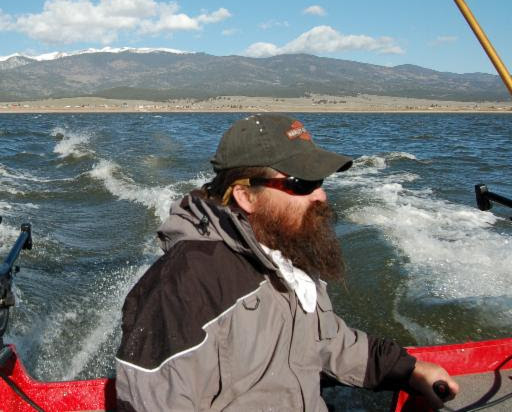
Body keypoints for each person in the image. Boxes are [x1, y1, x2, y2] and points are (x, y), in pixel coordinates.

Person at [115, 113, 458, 411]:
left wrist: (408, 370)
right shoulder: (186, 282)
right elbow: (156, 400)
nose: (320, 195)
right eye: (303, 184)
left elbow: (328, 342)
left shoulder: (284, 254)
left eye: (320, 181)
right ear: (246, 196)